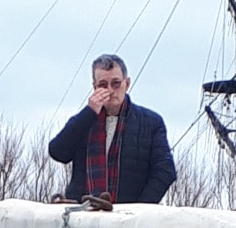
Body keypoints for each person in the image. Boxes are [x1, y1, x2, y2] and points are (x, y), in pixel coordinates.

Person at [48, 54, 177, 205]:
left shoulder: (151, 123)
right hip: (83, 215)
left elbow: (165, 171)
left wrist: (141, 208)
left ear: (126, 84)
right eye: (103, 85)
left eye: (116, 83)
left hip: (128, 218)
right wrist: (89, 113)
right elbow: (58, 152)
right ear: (95, 87)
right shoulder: (84, 121)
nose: (110, 90)